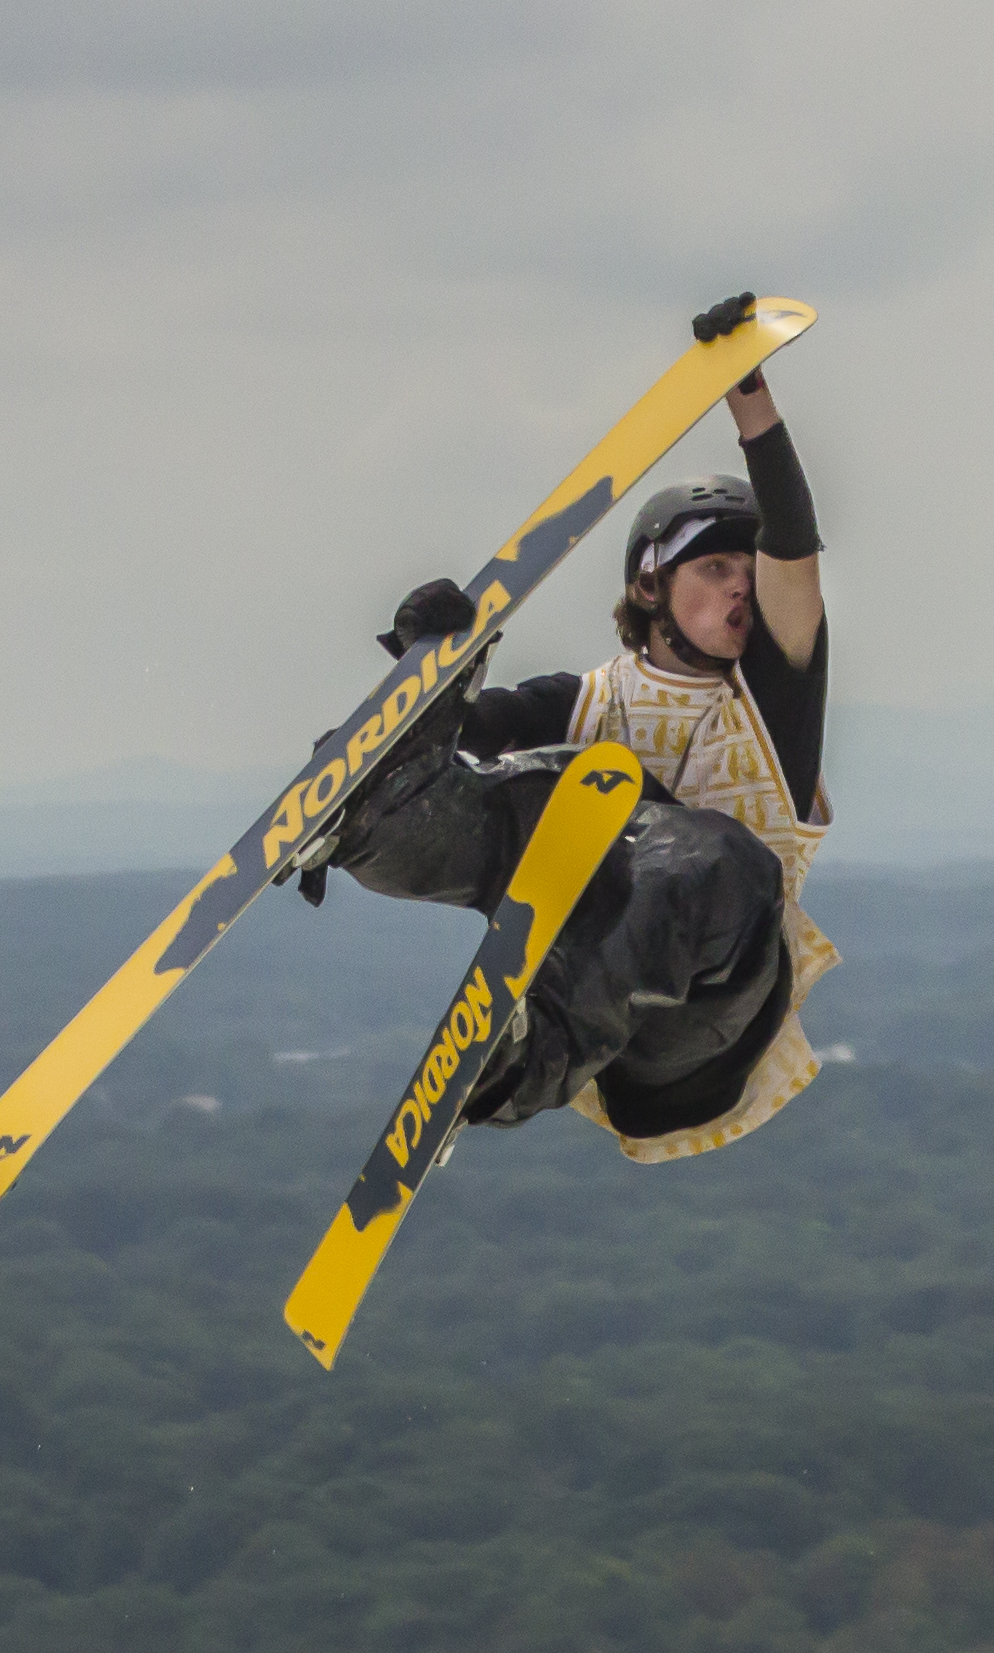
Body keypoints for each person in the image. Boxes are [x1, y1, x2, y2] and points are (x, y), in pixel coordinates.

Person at [317, 294, 835, 1162]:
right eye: (714, 568)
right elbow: (469, 736)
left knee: (700, 853)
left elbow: (795, 550)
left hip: (707, 1023)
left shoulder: (774, 697)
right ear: (648, 586)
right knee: (508, 786)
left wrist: (747, 395)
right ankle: (363, 819)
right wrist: (434, 663)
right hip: (608, 1005)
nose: (740, 587)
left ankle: (520, 1057)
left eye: (749, 570)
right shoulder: (585, 701)